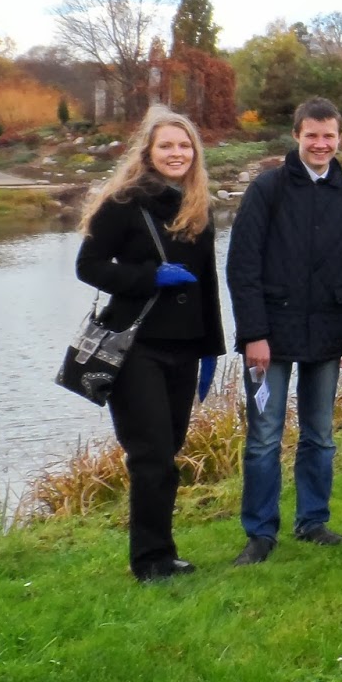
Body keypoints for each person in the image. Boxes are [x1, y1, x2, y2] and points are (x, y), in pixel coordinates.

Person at [75, 106, 225, 582]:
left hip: (185, 346)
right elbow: (88, 265)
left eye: (184, 146)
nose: (176, 153)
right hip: (135, 346)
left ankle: (163, 552)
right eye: (167, 146)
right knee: (151, 454)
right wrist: (148, 276)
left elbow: (207, 283)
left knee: (170, 449)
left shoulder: (197, 205)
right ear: (148, 151)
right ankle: (149, 561)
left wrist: (211, 349)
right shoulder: (123, 202)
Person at [225, 97, 342, 565]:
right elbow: (242, 266)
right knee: (264, 436)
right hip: (270, 335)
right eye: (312, 135)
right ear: (297, 136)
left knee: (320, 435)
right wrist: (253, 333)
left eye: (329, 136)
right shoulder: (267, 189)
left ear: (339, 138)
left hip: (328, 332)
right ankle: (260, 532)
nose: (321, 144)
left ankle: (312, 520)